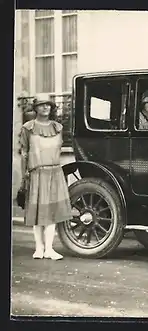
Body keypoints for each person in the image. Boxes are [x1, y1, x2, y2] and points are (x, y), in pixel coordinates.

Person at [20, 93, 73, 260]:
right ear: (35, 108)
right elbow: (24, 153)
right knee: (38, 212)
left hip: (55, 172)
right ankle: (39, 248)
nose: (45, 107)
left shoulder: (58, 127)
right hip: (36, 173)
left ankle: (49, 248)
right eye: (42, 105)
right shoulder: (27, 128)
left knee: (52, 212)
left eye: (48, 105)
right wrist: (25, 175)